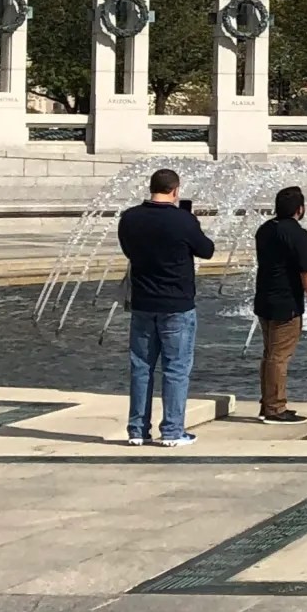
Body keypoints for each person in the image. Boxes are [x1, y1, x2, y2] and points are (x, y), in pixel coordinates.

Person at [116, 167, 215, 447]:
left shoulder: (130, 218)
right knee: (176, 367)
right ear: (175, 190)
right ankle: (172, 431)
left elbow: (128, 250)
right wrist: (192, 223)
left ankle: (137, 430)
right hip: (176, 303)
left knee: (141, 366)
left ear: (151, 187)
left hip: (142, 301)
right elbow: (207, 250)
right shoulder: (182, 221)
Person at [252, 186, 307, 423]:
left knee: (270, 353)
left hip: (264, 299)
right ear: (300, 209)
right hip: (286, 302)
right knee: (279, 356)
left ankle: (269, 403)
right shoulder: (298, 235)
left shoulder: (265, 229)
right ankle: (275, 408)